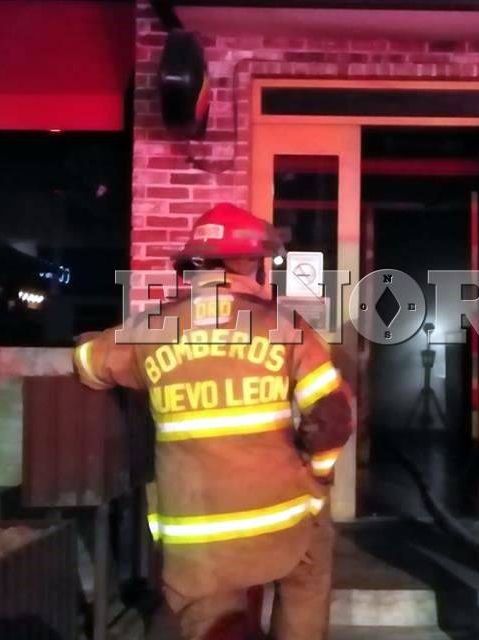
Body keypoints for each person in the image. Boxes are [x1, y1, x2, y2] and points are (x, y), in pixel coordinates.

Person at [73, 203, 354, 640]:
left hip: (197, 536)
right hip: (283, 518)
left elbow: (88, 363)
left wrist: (93, 342)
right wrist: (317, 476)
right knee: (308, 573)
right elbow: (334, 417)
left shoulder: (148, 331)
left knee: (212, 624)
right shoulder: (286, 327)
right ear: (248, 263)